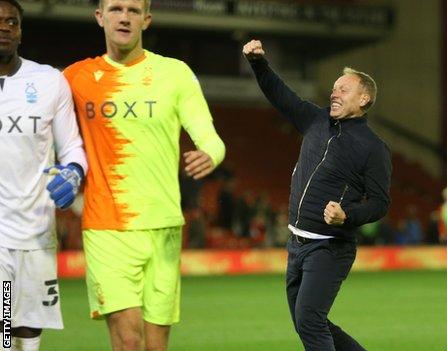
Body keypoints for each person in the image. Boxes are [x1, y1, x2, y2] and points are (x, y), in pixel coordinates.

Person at [62, 0, 226, 349]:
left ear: (146, 20)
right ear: (100, 17)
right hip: (107, 226)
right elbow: (50, 138)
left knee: (155, 345)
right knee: (128, 338)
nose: (125, 17)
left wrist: (210, 154)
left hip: (164, 224)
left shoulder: (175, 73)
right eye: (116, 9)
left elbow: (210, 137)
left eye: (134, 10)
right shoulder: (74, 79)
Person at [243, 39, 392, 351]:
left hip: (330, 248)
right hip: (296, 244)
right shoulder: (315, 120)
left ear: (364, 98)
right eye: (334, 88)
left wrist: (347, 216)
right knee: (308, 322)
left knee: (310, 322)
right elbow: (279, 94)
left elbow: (380, 203)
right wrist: (258, 63)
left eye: (344, 89)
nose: (334, 93)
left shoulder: (373, 148)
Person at [0, 1, 88, 350]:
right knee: (3, 328)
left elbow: (72, 148)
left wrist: (73, 173)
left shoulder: (49, 81)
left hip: (37, 228)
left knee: (29, 329)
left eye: (12, 22)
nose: (4, 27)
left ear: (20, 31)